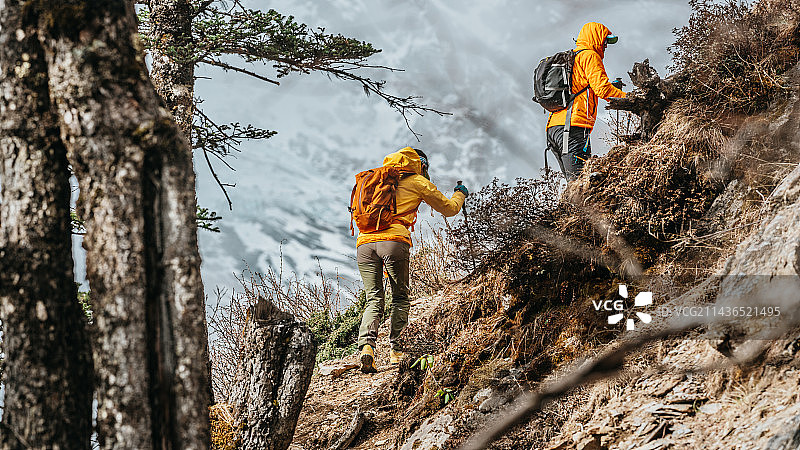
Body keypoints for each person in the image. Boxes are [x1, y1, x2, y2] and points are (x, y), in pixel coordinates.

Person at [355, 147, 468, 373]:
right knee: (400, 297)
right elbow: (449, 209)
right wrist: (460, 194)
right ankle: (397, 352)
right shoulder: (417, 181)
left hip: (364, 243)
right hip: (394, 240)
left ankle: (367, 348)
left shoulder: (375, 178)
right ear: (421, 164)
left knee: (374, 299)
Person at [546, 22, 626, 181]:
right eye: (605, 41)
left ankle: (570, 207)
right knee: (581, 183)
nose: (605, 46)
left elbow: (583, 86)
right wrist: (631, 99)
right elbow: (602, 90)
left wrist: (612, 87)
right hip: (573, 127)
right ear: (596, 38)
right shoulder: (589, 56)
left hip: (555, 127)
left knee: (574, 184)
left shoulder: (574, 57)